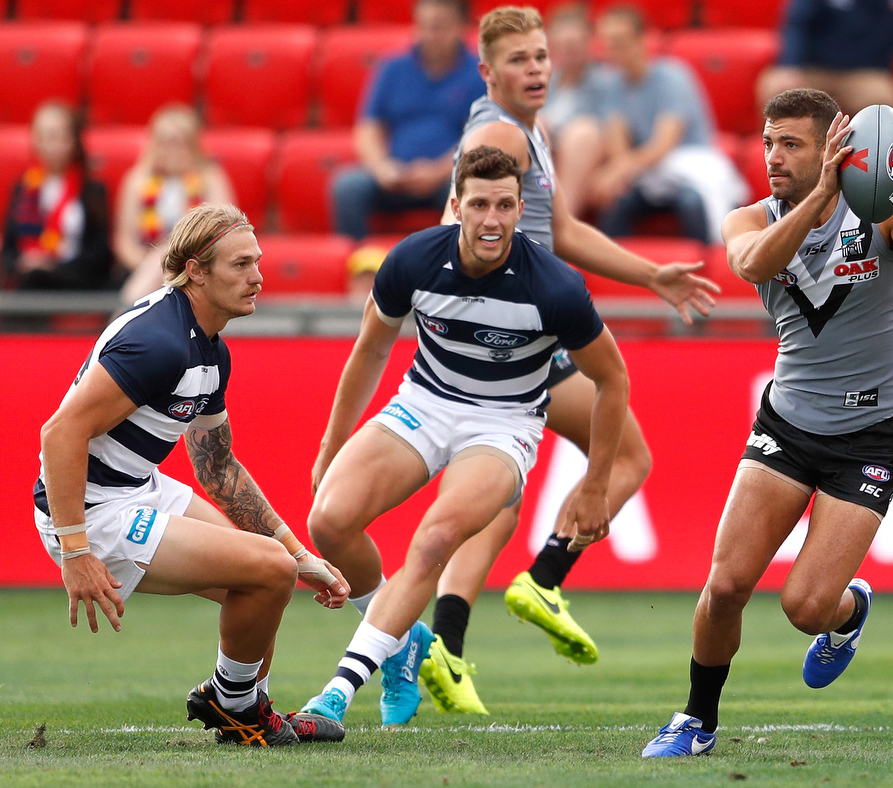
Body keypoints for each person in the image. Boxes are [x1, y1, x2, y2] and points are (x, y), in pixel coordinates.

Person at [642, 88, 893, 758]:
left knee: (805, 609)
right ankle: (698, 720)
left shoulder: (881, 210)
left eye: (790, 144)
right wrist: (816, 198)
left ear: (830, 148)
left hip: (872, 432)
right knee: (726, 584)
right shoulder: (747, 219)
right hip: (787, 425)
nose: (773, 157)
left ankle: (849, 611)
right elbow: (753, 263)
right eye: (768, 142)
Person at [419, 5, 719, 716]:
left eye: (542, 56)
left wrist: (648, 274)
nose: (537, 70)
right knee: (627, 458)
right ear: (488, 71)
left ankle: (446, 646)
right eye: (519, 60)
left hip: (508, 340)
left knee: (498, 492)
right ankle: (545, 577)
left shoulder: (524, 130)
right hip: (517, 340)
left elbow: (557, 228)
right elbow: (453, 226)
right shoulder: (499, 134)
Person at [299, 146, 630, 730]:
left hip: (504, 424)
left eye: (505, 205)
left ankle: (337, 691)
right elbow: (372, 349)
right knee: (328, 521)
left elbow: (612, 378)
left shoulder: (554, 287)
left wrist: (596, 483)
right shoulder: (412, 261)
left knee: (433, 541)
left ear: (520, 208)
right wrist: (331, 444)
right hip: (423, 404)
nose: (492, 219)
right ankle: (401, 641)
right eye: (479, 204)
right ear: (456, 206)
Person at [35, 203, 350, 747]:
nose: (258, 277)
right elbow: (60, 434)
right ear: (197, 271)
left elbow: (217, 466)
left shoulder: (209, 348)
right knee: (267, 571)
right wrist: (75, 551)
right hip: (92, 511)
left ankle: (245, 706)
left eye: (257, 262)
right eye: (241, 264)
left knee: (269, 572)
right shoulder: (158, 342)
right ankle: (234, 707)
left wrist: (302, 555)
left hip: (137, 488)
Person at [331, 0, 486, 240]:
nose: (431, 35)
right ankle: (357, 264)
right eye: (425, 26)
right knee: (347, 186)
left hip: (449, 175)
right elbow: (368, 127)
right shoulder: (393, 68)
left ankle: (456, 265)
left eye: (440, 26)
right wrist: (382, 168)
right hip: (394, 176)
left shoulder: (478, 73)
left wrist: (437, 171)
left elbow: (481, 137)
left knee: (469, 189)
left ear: (460, 26)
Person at [589, 5, 747, 243]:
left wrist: (615, 173)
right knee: (617, 204)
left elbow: (664, 144)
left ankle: (707, 265)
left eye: (620, 41)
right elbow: (617, 144)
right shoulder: (612, 85)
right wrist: (616, 176)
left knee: (692, 203)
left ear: (642, 39)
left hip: (689, 167)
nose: (615, 50)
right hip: (648, 174)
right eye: (609, 43)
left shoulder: (673, 76)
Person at [757, 0, 893, 118]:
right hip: (813, 71)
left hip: (868, 76)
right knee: (776, 90)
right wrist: (790, 64)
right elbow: (797, 23)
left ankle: (872, 167)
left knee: (884, 105)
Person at [115, 105, 234, 305]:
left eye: (178, 142)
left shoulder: (211, 179)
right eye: (164, 142)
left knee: (167, 254)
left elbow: (225, 234)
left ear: (192, 145)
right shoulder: (136, 181)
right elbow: (124, 241)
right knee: (160, 259)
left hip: (199, 266)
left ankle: (122, 318)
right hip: (146, 266)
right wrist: (148, 264)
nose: (171, 150)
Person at [0, 102, 112, 291]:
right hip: (31, 278)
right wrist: (25, 261)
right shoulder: (23, 188)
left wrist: (53, 265)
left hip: (77, 279)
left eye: (56, 137)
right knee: (30, 280)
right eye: (42, 137)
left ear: (73, 140)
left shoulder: (92, 191)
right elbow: (7, 251)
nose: (49, 145)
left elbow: (100, 254)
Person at [541, 3, 614, 217]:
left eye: (574, 44)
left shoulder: (606, 81)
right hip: (548, 160)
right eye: (563, 45)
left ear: (589, 42)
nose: (569, 51)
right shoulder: (544, 82)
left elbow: (612, 131)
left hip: (585, 157)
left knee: (582, 132)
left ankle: (562, 222)